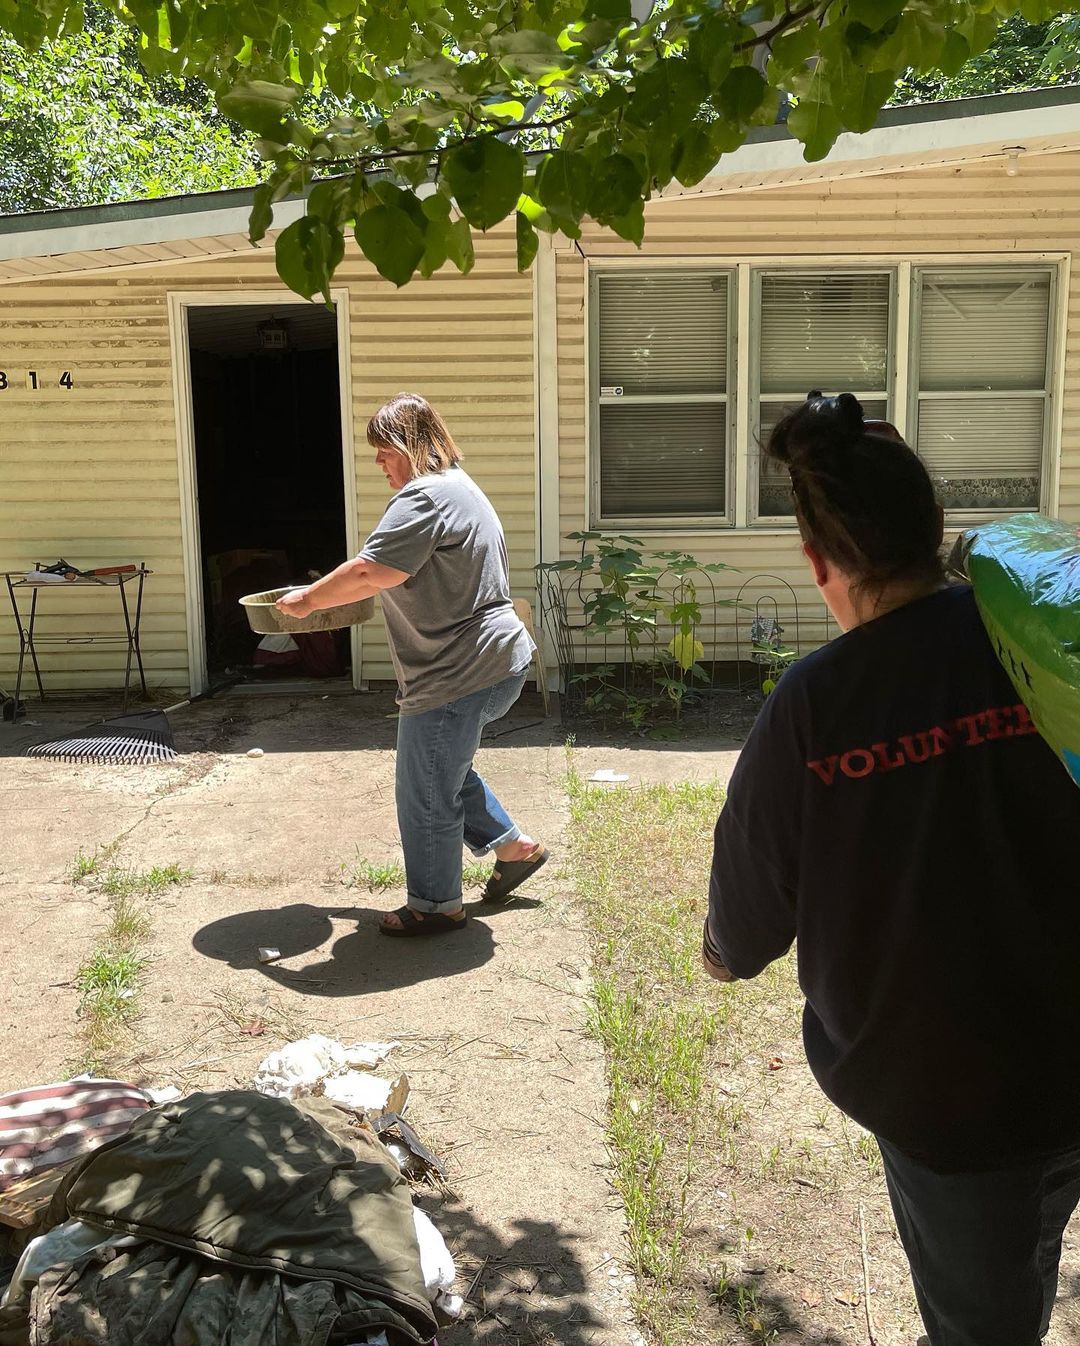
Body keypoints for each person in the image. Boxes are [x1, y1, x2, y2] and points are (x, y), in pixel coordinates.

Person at [702, 391, 1080, 1346]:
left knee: (981, 1313)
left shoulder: (815, 704)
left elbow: (749, 903)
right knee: (1023, 1249)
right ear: (933, 531)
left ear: (817, 559)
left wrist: (722, 954)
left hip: (944, 1090)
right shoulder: (1039, 649)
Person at [277, 393, 548, 936]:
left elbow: (370, 573)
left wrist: (306, 601)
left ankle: (435, 905)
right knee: (442, 768)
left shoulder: (424, 497)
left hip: (458, 671)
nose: (378, 461)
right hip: (499, 661)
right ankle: (514, 848)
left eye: (383, 450)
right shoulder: (459, 487)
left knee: (425, 786)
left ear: (407, 444)